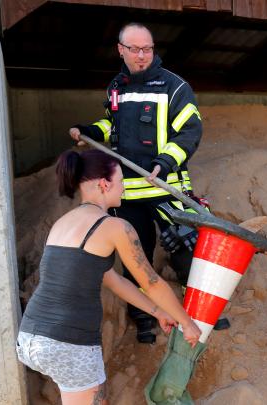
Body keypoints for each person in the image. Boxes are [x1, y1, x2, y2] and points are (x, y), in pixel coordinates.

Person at [69, 22, 228, 344]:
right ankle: (144, 318)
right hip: (127, 193)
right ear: (121, 50)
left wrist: (164, 161)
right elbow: (111, 125)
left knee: (187, 248)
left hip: (167, 186)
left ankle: (204, 311)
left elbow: (189, 132)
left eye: (148, 49)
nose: (142, 56)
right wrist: (89, 131)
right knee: (135, 255)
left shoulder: (174, 86)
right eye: (135, 49)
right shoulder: (117, 86)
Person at [16, 149, 201, 405]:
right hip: (69, 343)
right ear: (104, 184)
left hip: (31, 336)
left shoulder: (63, 223)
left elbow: (115, 280)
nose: (123, 189)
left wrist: (157, 312)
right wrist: (186, 323)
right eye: (121, 182)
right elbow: (152, 282)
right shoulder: (115, 227)